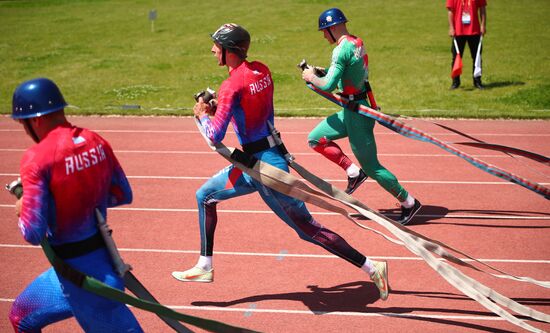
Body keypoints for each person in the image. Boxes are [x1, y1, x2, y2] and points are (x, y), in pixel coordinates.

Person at [171, 23, 390, 301]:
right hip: (258, 161)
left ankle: (373, 267)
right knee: (204, 196)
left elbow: (214, 136)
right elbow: (251, 105)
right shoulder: (261, 70)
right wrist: (221, 106)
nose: (213, 49)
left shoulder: (230, 86)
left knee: (309, 230)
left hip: (265, 169)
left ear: (229, 51)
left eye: (217, 45)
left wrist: (203, 114)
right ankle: (205, 265)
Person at [8, 78, 143, 333]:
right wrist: (83, 198)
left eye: (22, 124)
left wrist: (24, 207)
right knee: (21, 316)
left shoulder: (36, 158)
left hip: (85, 282)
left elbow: (32, 232)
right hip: (94, 265)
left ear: (34, 120)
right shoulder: (95, 140)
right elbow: (122, 194)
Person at [301, 8, 422, 225]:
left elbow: (328, 85)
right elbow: (346, 72)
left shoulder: (340, 50)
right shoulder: (356, 42)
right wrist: (324, 71)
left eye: (323, 31)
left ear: (332, 28)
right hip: (352, 107)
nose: (323, 35)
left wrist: (311, 76)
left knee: (372, 166)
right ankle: (352, 171)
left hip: (357, 112)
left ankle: (409, 202)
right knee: (315, 139)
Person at [447, 0, 487, 89]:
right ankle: (455, 82)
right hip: (458, 31)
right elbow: (450, 11)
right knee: (456, 57)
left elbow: (482, 8)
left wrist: (483, 25)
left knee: (477, 57)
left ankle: (477, 81)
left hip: (474, 30)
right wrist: (451, 27)